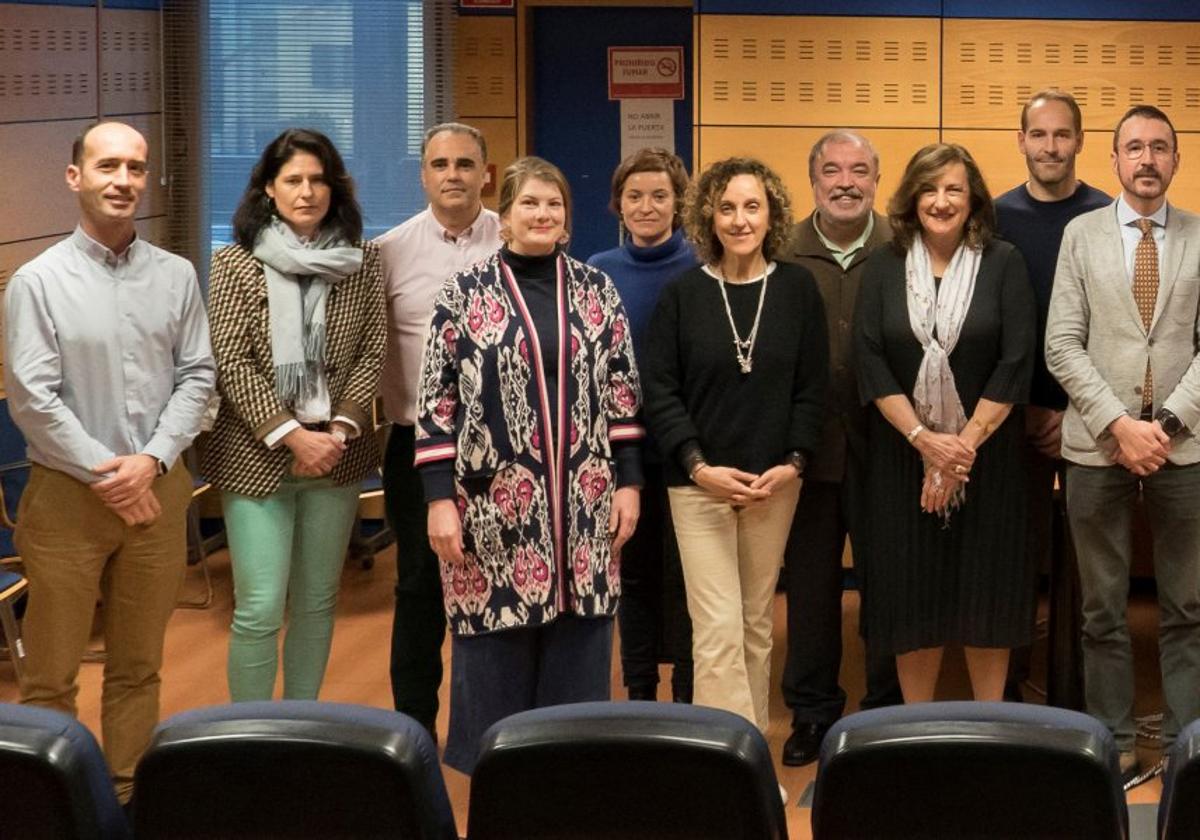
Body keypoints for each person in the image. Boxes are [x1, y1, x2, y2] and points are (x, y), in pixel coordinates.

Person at [5, 120, 215, 802]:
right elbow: (32, 400)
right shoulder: (36, 282)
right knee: (51, 676)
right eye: (108, 167)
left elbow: (198, 379)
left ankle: (125, 797)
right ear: (76, 178)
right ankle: (45, 804)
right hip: (68, 499)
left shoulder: (178, 275)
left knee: (138, 667)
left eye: (135, 167)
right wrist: (110, 473)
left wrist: (150, 462)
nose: (123, 180)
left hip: (157, 492)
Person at [415, 156, 643, 774]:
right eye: (529, 204)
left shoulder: (598, 291)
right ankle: (498, 779)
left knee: (581, 642)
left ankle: (566, 781)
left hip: (586, 500)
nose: (543, 215)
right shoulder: (463, 294)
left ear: (568, 219)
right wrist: (440, 499)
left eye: (555, 205)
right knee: (495, 649)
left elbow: (623, 392)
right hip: (492, 505)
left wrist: (630, 482)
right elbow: (436, 405)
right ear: (505, 217)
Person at [643, 157, 828, 733]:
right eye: (726, 207)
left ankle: (745, 752)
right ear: (708, 217)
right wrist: (699, 467)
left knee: (753, 623)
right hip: (698, 486)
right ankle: (734, 771)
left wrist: (793, 464)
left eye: (752, 206)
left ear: (771, 214)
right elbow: (661, 393)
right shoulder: (682, 295)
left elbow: (812, 388)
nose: (740, 219)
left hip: (774, 485)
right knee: (717, 626)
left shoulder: (797, 289)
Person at [203, 128, 386, 702]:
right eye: (293, 181)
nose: (307, 192)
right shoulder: (233, 263)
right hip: (255, 457)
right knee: (259, 606)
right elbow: (230, 359)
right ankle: (249, 735)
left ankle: (302, 726)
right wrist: (291, 436)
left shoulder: (365, 259)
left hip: (339, 452)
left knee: (317, 600)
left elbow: (373, 349)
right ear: (267, 190)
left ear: (335, 187)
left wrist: (334, 432)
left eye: (317, 179)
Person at [1046, 105, 1200, 782]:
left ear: (1175, 160)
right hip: (1097, 447)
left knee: (1188, 609)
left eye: (1159, 148)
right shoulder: (1081, 236)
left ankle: (1185, 748)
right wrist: (1119, 425)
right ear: (1113, 160)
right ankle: (1113, 744)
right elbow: (1061, 343)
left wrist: (1163, 426)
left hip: (1184, 447)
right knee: (1099, 611)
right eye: (1133, 147)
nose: (1147, 159)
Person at [853, 143, 1035, 703]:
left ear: (973, 197)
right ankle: (917, 726)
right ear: (911, 198)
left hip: (990, 460)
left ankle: (992, 723)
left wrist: (962, 449)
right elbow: (869, 357)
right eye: (929, 189)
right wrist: (926, 443)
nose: (941, 200)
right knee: (912, 598)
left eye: (954, 189)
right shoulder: (883, 265)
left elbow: (1017, 357)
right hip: (901, 459)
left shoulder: (1003, 262)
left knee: (989, 597)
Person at [778, 131, 902, 767]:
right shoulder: (782, 251)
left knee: (888, 581)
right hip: (809, 449)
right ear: (814, 179)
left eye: (859, 170)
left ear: (877, 180)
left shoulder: (902, 247)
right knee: (810, 588)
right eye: (832, 170)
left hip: (889, 449)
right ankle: (812, 711)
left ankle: (884, 707)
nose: (846, 181)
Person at [375, 122, 500, 736]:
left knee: (498, 585)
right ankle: (414, 731)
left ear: (486, 173)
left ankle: (493, 728)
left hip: (505, 449)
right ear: (422, 175)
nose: (453, 174)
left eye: (465, 164)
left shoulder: (517, 238)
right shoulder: (389, 252)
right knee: (421, 589)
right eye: (440, 164)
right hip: (417, 448)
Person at [993, 90, 1110, 702]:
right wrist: (1027, 409)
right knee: (1014, 555)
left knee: (1090, 566)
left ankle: (1081, 688)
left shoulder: (1107, 216)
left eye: (1062, 135)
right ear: (1021, 141)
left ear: (1080, 141)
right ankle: (1010, 683)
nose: (1051, 147)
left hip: (1092, 415)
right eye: (1039, 135)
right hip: (1010, 416)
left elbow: (1116, 329)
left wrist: (1072, 410)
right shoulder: (995, 217)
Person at [588, 147, 697, 704]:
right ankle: (638, 694)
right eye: (635, 196)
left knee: (684, 582)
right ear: (618, 204)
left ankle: (685, 696)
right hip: (620, 458)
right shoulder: (597, 272)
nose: (647, 206)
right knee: (629, 579)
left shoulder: (702, 267)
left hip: (687, 455)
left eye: (659, 195)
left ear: (679, 203)